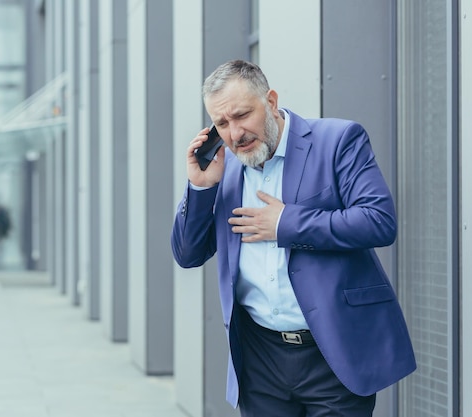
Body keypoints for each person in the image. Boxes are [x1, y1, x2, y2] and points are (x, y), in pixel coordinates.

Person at [171, 60, 416, 417]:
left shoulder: (338, 140)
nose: (235, 133)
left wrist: (287, 222)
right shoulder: (223, 167)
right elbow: (188, 254)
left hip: (333, 354)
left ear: (270, 102)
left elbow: (379, 221)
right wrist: (200, 186)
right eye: (222, 123)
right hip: (259, 360)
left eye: (242, 115)